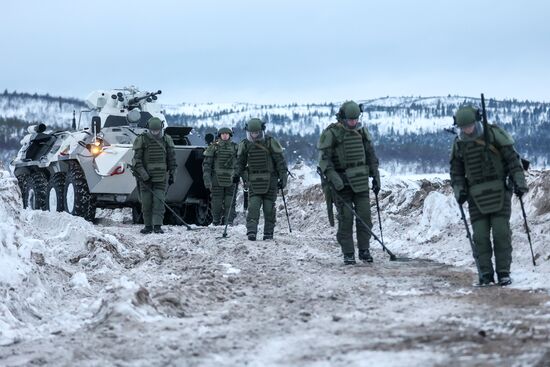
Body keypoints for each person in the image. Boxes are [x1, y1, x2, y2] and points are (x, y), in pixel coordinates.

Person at [450, 106, 528, 286]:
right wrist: (459, 190)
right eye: (463, 128)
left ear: (476, 122)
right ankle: (485, 274)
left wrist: (519, 183)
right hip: (475, 196)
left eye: (469, 126)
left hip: (499, 191)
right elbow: (456, 172)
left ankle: (503, 273)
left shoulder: (494, 135)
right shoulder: (459, 144)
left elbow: (513, 161)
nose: (467, 130)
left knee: (501, 233)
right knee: (480, 236)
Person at [317, 101, 380, 265]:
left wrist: (376, 177)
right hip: (341, 184)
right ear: (343, 118)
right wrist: (334, 178)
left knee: (365, 216)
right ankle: (348, 252)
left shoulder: (362, 132)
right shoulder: (332, 133)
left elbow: (371, 156)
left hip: (360, 180)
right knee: (345, 219)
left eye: (355, 119)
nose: (353, 122)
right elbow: (324, 161)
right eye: (350, 120)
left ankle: (364, 250)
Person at [234, 118, 288, 241]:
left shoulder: (270, 142)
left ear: (261, 131)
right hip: (254, 180)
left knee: (269, 208)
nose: (254, 135)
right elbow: (240, 163)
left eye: (256, 133)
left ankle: (268, 233)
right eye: (251, 133)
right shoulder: (245, 144)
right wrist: (236, 174)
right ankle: (251, 231)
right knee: (253, 206)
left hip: (271, 180)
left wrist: (283, 177)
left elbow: (280, 161)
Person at [132, 117, 177, 234]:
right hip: (145, 178)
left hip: (160, 176)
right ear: (149, 129)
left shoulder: (166, 140)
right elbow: (136, 161)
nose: (155, 133)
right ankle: (148, 226)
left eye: (157, 130)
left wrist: (173, 174)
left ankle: (157, 225)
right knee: (146, 203)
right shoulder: (142, 139)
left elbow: (172, 160)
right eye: (153, 130)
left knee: (159, 202)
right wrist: (143, 174)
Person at [202, 127, 238, 226]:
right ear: (219, 135)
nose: (225, 136)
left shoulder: (236, 147)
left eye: (227, 134)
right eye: (223, 134)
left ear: (230, 135)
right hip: (217, 179)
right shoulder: (214, 147)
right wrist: (207, 180)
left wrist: (245, 178)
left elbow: (240, 164)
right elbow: (207, 165)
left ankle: (228, 223)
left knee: (229, 203)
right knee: (216, 202)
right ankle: (216, 222)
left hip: (231, 179)